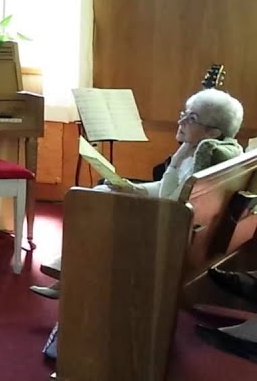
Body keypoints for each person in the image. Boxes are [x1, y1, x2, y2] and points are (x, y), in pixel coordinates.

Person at [30, 88, 245, 300]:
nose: (181, 122)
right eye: (184, 113)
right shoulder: (210, 148)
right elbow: (167, 189)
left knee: (96, 204)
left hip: (171, 232)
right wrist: (133, 189)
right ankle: (68, 277)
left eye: (192, 118)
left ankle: (70, 277)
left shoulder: (201, 155)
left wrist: (176, 161)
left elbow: (170, 203)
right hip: (182, 225)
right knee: (101, 191)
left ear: (212, 133)